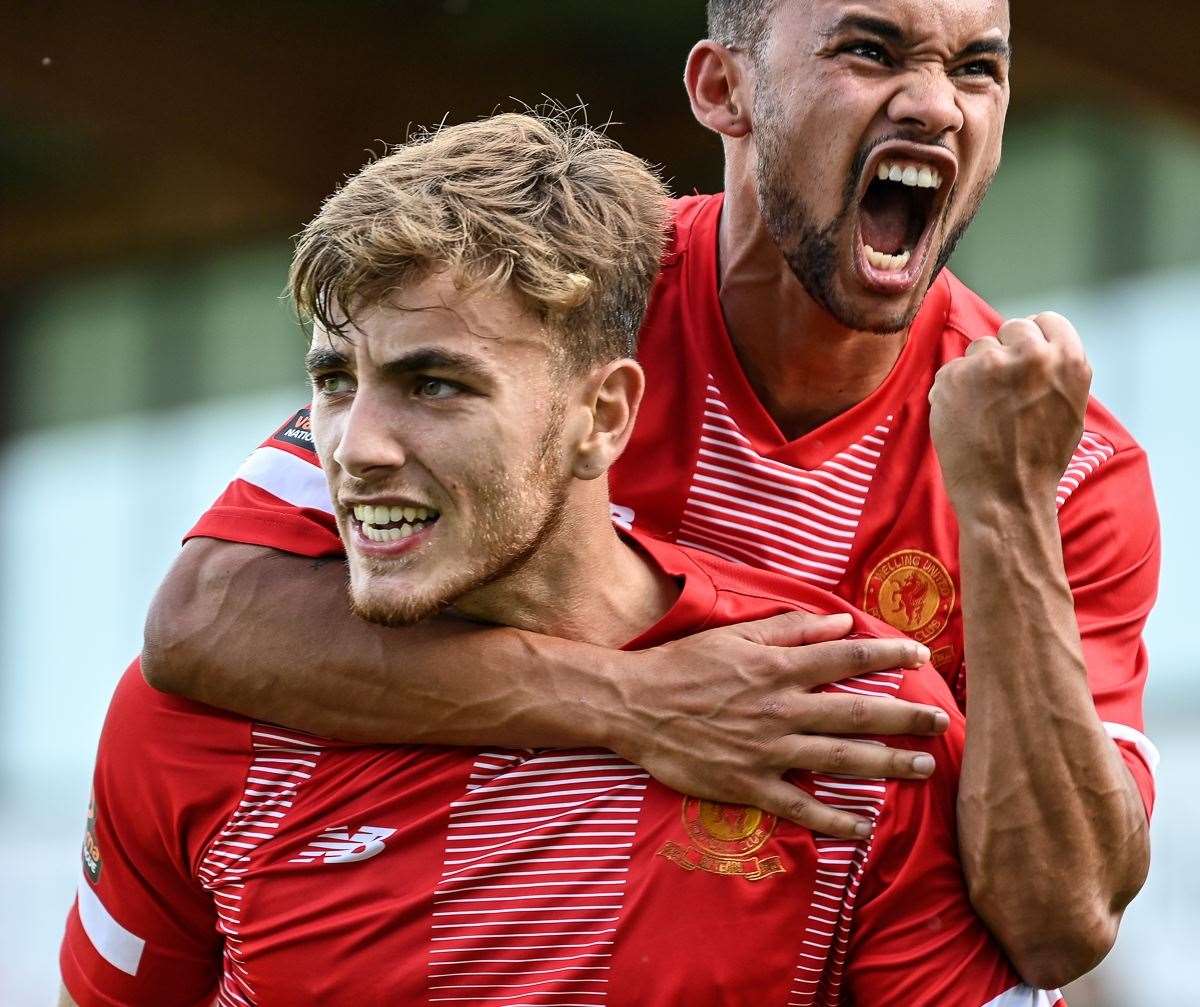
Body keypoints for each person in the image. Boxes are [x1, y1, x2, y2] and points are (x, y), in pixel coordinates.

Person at [141, 0, 1158, 986]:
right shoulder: (555, 305)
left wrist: (1005, 508)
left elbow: (1061, 920)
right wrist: (632, 701)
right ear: (726, 88)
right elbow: (205, 617)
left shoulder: (1062, 464)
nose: (936, 105)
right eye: (870, 51)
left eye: (978, 67)